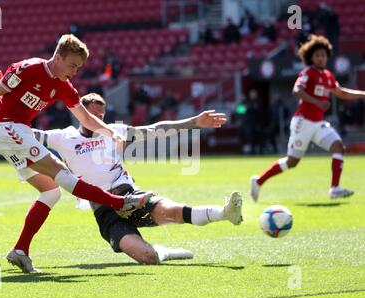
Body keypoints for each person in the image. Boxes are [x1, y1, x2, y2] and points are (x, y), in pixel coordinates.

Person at [0, 34, 152, 273]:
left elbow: (84, 117)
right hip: (7, 128)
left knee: (51, 192)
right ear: (58, 57)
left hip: (18, 133)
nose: (74, 72)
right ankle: (119, 202)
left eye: (78, 68)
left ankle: (20, 250)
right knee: (61, 172)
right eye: (72, 65)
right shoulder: (28, 68)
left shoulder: (63, 85)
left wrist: (109, 132)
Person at [32, 92, 243, 265]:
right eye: (92, 115)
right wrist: (0, 107)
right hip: (104, 209)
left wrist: (194, 122)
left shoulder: (115, 131)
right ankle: (162, 252)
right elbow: (26, 134)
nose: (97, 120)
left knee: (172, 212)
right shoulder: (62, 137)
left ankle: (224, 213)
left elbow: (154, 129)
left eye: (101, 115)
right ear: (81, 114)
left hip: (129, 194)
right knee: (148, 258)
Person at [250, 35, 365, 202]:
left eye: (323, 55)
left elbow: (341, 92)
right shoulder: (308, 73)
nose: (320, 58)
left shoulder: (327, 75)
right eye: (317, 55)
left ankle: (335, 188)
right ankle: (258, 181)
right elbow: (296, 91)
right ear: (311, 57)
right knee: (292, 162)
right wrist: (318, 101)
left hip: (318, 124)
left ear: (327, 57)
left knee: (338, 147)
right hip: (302, 122)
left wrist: (362, 94)